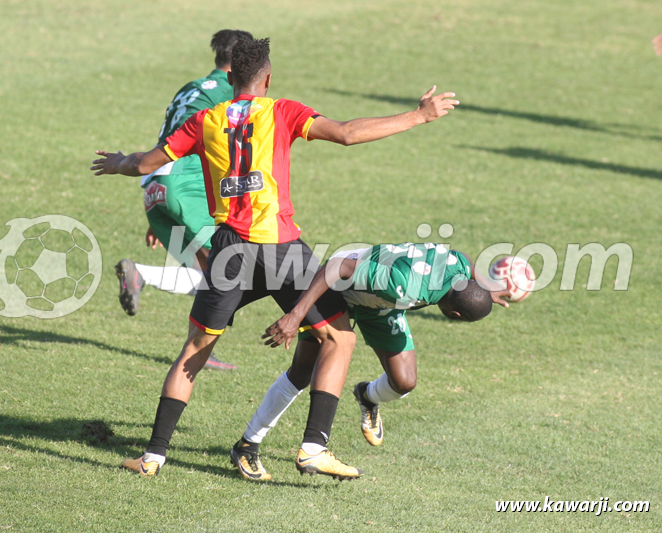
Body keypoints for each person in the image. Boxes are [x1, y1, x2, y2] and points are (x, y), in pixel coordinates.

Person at [91, 37, 459, 480]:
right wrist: (419, 115)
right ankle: (312, 448)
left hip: (229, 250)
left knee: (195, 350)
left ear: (229, 79)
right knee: (339, 339)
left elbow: (146, 162)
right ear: (267, 77)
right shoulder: (281, 111)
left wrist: (118, 163)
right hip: (281, 251)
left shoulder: (206, 120)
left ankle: (153, 457)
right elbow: (346, 133)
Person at [229, 243, 510, 480]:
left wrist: (482, 288)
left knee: (404, 381)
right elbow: (337, 266)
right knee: (303, 372)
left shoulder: (457, 268)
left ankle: (366, 395)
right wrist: (297, 314)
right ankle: (247, 445)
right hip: (337, 291)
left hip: (379, 303)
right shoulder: (405, 286)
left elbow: (465, 258)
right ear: (455, 315)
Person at [116, 31, 252, 371]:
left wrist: (157, 211)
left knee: (213, 273)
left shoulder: (190, 88)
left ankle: (200, 350)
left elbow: (169, 139)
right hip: (187, 184)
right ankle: (143, 276)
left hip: (156, 186)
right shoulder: (231, 96)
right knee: (231, 274)